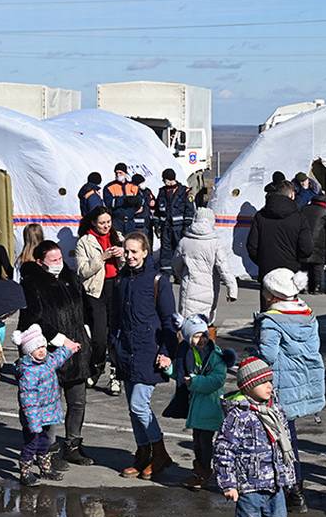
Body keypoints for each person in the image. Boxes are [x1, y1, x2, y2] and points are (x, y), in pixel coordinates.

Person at [215, 356, 296, 517]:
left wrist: (289, 477)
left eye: (270, 381)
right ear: (248, 386)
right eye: (263, 382)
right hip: (249, 487)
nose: (270, 386)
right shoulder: (239, 416)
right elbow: (223, 450)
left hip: (275, 485)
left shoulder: (275, 411)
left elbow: (285, 446)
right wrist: (228, 483)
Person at [17, 240, 95, 466]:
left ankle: (73, 445)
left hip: (77, 350)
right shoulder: (33, 284)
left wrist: (86, 334)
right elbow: (34, 317)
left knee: (78, 401)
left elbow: (84, 309)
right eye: (53, 260)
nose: (58, 263)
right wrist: (61, 340)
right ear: (41, 262)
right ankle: (46, 449)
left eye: (60, 259)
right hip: (50, 351)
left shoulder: (71, 278)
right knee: (49, 403)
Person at [255, 268, 324, 513]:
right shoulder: (307, 314)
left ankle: (292, 489)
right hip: (303, 382)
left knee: (282, 438)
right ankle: (295, 489)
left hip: (281, 386)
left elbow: (269, 355)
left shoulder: (271, 321)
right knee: (289, 435)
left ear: (272, 295)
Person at [112, 232, 177, 479]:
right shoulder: (121, 280)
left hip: (149, 351)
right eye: (126, 252)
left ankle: (160, 452)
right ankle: (143, 452)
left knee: (140, 405)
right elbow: (115, 316)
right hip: (126, 350)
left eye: (134, 252)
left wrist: (167, 351)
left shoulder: (158, 279)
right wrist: (114, 344)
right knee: (132, 407)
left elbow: (169, 320)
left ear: (145, 252)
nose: (129, 256)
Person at [167, 314, 234, 490]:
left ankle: (204, 471)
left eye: (203, 334)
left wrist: (195, 382)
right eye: (196, 336)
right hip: (197, 406)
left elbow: (217, 380)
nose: (202, 339)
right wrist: (168, 368)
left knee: (205, 441)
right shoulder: (187, 352)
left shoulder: (215, 355)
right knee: (198, 440)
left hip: (210, 406)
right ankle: (200, 470)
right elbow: (181, 373)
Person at [13, 324, 81, 486]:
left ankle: (45, 467)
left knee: (45, 443)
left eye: (43, 346)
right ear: (29, 351)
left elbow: (58, 357)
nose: (42, 350)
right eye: (37, 348)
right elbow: (28, 400)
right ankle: (25, 471)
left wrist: (70, 349)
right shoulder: (28, 371)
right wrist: (33, 422)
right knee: (31, 444)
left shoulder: (48, 361)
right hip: (34, 418)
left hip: (48, 413)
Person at [75, 207, 125, 394]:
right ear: (93, 223)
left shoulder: (118, 236)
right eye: (102, 223)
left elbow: (131, 261)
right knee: (99, 337)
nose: (106, 226)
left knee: (116, 334)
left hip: (116, 287)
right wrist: (102, 258)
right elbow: (82, 271)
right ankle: (96, 367)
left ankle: (115, 375)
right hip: (96, 291)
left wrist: (123, 255)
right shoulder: (84, 242)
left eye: (108, 222)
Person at [246, 179, 312, 309]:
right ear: (291, 195)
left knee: (268, 312)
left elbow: (252, 246)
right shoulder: (299, 217)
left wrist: (263, 261)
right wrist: (297, 261)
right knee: (288, 309)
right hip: (290, 271)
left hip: (267, 271)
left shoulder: (260, 216)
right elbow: (307, 248)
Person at [173, 207, 238, 325]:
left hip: (189, 288)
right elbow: (224, 269)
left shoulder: (184, 241)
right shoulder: (215, 243)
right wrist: (232, 289)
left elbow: (176, 265)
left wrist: (181, 276)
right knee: (205, 323)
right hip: (210, 288)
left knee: (188, 325)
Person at [156, 168, 196, 273]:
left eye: (164, 179)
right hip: (166, 227)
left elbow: (189, 210)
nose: (164, 182)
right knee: (165, 250)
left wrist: (186, 227)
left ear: (169, 179)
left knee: (180, 250)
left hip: (179, 228)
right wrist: (157, 225)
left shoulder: (185, 192)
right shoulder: (162, 192)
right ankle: (166, 273)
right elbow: (157, 210)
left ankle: (180, 273)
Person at [300, 194, 326, 294]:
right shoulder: (324, 212)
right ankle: (317, 287)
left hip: (304, 239)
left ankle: (304, 286)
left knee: (304, 264)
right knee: (318, 265)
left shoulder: (304, 209)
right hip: (319, 241)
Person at [103, 162, 142, 234]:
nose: (118, 175)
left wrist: (135, 205)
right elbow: (109, 203)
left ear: (125, 173)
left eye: (120, 173)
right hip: (117, 221)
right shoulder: (109, 187)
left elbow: (140, 201)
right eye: (116, 173)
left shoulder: (133, 186)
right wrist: (123, 200)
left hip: (130, 221)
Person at [131, 174, 158, 242]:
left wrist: (153, 202)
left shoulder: (147, 191)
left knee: (149, 243)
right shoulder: (133, 192)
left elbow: (152, 199)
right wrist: (135, 210)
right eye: (141, 183)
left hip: (148, 222)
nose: (143, 184)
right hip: (139, 224)